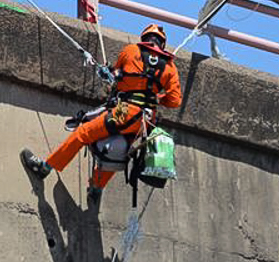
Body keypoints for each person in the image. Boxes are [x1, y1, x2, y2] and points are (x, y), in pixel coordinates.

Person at [22, 22, 182, 199]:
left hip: (125, 110)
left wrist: (110, 73)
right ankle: (97, 189)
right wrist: (155, 97)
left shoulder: (131, 51)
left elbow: (117, 78)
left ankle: (45, 167)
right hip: (144, 122)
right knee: (119, 149)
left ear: (144, 38)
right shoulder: (170, 67)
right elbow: (174, 101)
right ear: (162, 44)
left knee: (84, 132)